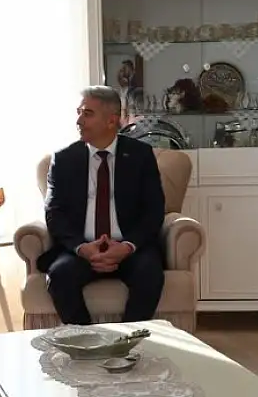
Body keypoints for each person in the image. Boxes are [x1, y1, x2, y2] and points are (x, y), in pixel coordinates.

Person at [41, 86, 166, 325]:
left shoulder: (140, 155)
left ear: (111, 121)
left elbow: (154, 210)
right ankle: (87, 339)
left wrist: (127, 246)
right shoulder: (64, 160)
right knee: (59, 275)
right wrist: (82, 248)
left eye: (87, 114)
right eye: (79, 112)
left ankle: (127, 339)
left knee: (149, 274)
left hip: (129, 248)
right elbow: (54, 213)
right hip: (82, 248)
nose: (79, 120)